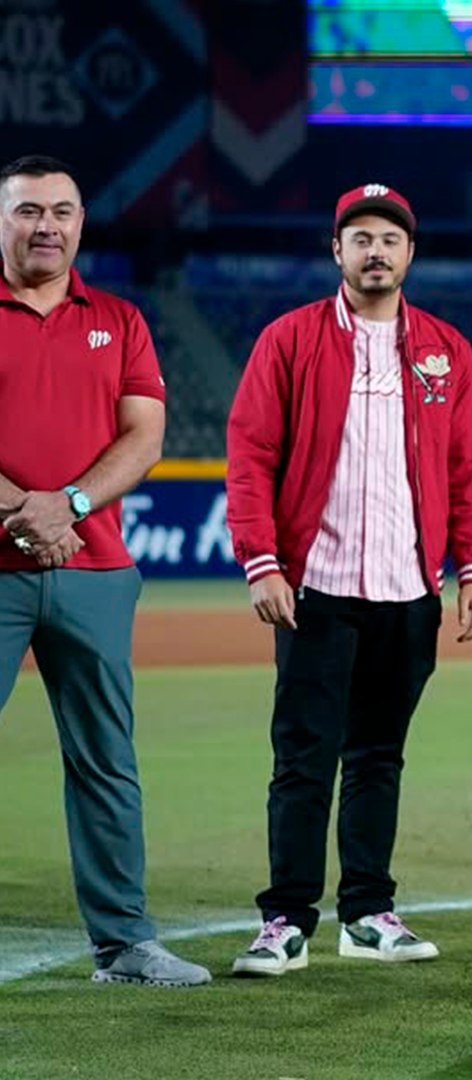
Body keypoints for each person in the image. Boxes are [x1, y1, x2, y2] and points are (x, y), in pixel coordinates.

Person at [224, 183, 472, 977]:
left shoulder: (445, 349)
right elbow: (251, 456)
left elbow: (468, 468)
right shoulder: (290, 339)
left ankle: (368, 911)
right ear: (335, 251)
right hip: (318, 588)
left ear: (410, 253)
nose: (375, 250)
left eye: (389, 238)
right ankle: (284, 920)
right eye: (360, 237)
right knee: (305, 758)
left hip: (409, 592)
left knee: (380, 756)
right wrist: (262, 559)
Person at [0, 154, 209, 987]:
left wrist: (68, 507)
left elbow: (145, 438)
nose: (45, 225)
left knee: (105, 761)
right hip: (1, 563)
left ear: (82, 222)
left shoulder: (120, 320)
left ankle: (124, 944)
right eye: (26, 211)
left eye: (61, 210)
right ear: (2, 220)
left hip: (94, 568)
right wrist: (28, 511)